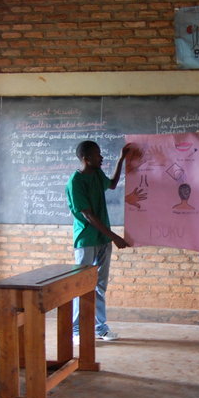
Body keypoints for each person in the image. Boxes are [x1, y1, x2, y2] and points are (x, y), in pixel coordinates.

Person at [66, 140, 131, 342]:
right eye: (97, 155)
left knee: (99, 284)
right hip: (86, 239)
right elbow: (88, 216)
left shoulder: (96, 174)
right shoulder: (75, 182)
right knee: (81, 284)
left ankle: (100, 328)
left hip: (103, 238)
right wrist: (115, 237)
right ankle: (76, 330)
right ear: (86, 159)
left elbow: (111, 184)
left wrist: (121, 160)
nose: (101, 157)